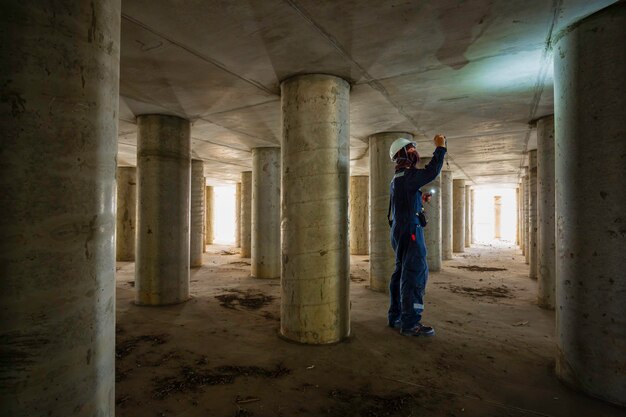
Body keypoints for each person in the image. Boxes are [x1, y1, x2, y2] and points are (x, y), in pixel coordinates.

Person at [387, 134, 447, 336]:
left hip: (399, 229)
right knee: (414, 272)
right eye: (411, 150)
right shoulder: (409, 176)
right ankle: (411, 323)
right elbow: (432, 171)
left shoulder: (397, 179)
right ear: (401, 155)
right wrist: (440, 148)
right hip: (410, 231)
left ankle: (395, 316)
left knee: (400, 272)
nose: (415, 153)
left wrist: (418, 198)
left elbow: (402, 201)